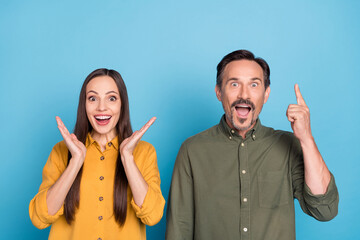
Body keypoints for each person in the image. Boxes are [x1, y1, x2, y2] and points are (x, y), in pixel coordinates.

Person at [166, 50, 339, 240]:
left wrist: (306, 139)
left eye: (254, 84)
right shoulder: (192, 150)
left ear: (266, 94)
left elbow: (325, 209)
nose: (244, 94)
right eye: (234, 84)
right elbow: (179, 229)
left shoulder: (289, 145)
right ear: (218, 92)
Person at [29, 68, 165, 240]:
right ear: (84, 105)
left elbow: (153, 216)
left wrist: (127, 158)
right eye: (92, 98)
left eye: (111, 98)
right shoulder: (61, 151)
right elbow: (39, 218)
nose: (102, 107)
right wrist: (75, 161)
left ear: (122, 104)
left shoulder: (144, 152)